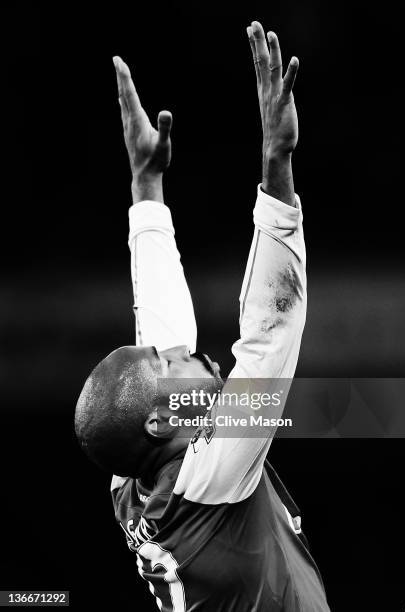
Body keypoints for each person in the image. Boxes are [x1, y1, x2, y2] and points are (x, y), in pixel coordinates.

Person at [75, 20, 330, 611]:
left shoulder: (134, 481)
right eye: (171, 365)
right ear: (166, 423)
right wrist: (277, 164)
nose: (189, 354)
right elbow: (270, 336)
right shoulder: (206, 481)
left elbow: (158, 356)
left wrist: (147, 187)